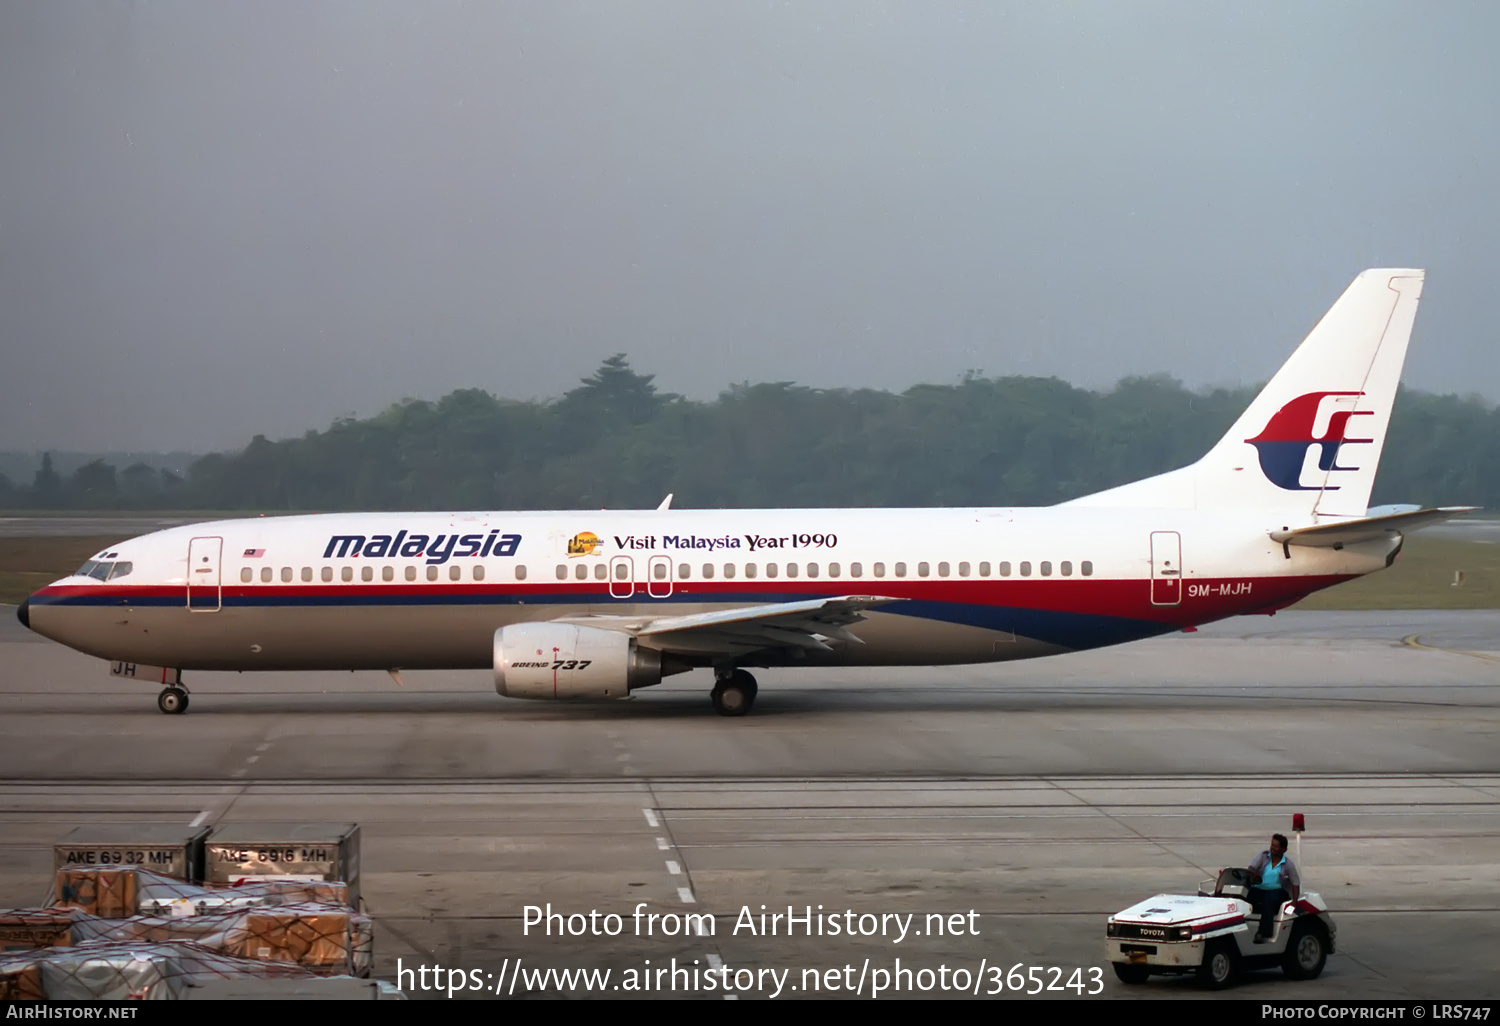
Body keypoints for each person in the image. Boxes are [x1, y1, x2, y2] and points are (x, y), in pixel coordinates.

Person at [1247, 833, 1301, 942]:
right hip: (1260, 888)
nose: (1272, 848)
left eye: (1276, 846)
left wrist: (1294, 902)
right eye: (1272, 845)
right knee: (1245, 896)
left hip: (1278, 891)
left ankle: (1264, 933)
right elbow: (1251, 868)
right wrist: (1253, 874)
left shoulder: (1288, 864)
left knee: (1269, 900)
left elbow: (1295, 883)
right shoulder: (1263, 856)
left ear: (1283, 850)